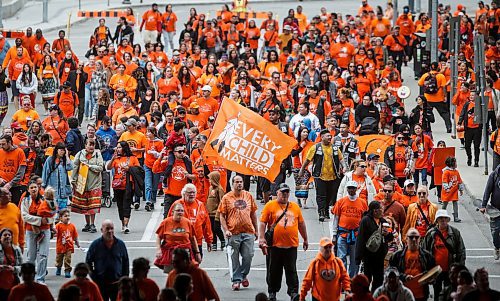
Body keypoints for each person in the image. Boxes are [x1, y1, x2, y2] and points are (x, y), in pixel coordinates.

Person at [258, 183, 308, 301]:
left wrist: (305, 239)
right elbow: (262, 222)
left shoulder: (295, 207)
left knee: (291, 270)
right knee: (273, 270)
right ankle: (272, 292)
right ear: (277, 193)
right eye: (282, 192)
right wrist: (261, 238)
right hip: (275, 246)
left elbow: (301, 224)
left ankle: (293, 293)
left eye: (287, 192)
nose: (285, 195)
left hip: (291, 246)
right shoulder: (270, 205)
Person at [218, 175, 258, 291]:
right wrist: (226, 230)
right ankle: (236, 280)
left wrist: (256, 230)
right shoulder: (226, 198)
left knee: (248, 255)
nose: (239, 184)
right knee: (234, 258)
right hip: (233, 232)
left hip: (248, 231)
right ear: (232, 184)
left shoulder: (248, 196)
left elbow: (253, 214)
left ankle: (243, 275)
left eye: (241, 182)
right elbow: (222, 215)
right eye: (237, 182)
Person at [299, 129, 346, 222]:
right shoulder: (315, 148)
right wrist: (301, 170)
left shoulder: (335, 148)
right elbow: (307, 160)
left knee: (330, 195)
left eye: (330, 136)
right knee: (321, 195)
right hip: (319, 176)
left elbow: (341, 159)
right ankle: (321, 212)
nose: (330, 137)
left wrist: (344, 167)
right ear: (322, 137)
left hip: (333, 176)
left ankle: (326, 211)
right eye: (327, 136)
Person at [422, 210, 466, 301]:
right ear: (437, 220)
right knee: (437, 293)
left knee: (449, 294)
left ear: (448, 220)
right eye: (440, 218)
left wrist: (460, 269)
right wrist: (426, 270)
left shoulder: (455, 233)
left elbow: (461, 251)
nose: (443, 220)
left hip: (450, 270)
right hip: (436, 271)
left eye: (445, 218)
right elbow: (424, 252)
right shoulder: (430, 234)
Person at [331, 181, 368, 278]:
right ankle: (343, 279)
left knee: (355, 259)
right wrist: (334, 235)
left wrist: (365, 236)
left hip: (356, 235)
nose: (351, 190)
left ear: (356, 189)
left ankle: (352, 279)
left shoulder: (362, 203)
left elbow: (365, 220)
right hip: (342, 234)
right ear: (347, 189)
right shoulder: (341, 202)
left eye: (353, 188)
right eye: (349, 188)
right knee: (341, 257)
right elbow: (336, 219)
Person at [86, 219, 130, 301]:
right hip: (101, 285)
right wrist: (95, 278)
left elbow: (125, 262)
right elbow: (88, 262)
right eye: (107, 228)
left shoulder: (120, 244)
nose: (110, 231)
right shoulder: (95, 245)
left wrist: (124, 279)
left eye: (112, 228)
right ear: (102, 230)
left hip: (117, 284)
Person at [355, 201, 393, 292]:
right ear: (375, 211)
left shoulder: (383, 221)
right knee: (367, 279)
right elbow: (360, 238)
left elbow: (390, 237)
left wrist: (387, 234)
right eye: (381, 209)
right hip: (368, 256)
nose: (383, 211)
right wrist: (358, 257)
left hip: (380, 257)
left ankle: (375, 295)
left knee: (379, 279)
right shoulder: (365, 221)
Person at [20, 179, 54, 284]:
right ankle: (29, 279)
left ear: (38, 188)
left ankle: (40, 279)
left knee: (43, 255)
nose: (34, 189)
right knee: (31, 256)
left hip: (45, 230)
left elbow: (53, 214)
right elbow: (24, 216)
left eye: (35, 187)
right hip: (30, 231)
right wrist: (39, 220)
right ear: (28, 190)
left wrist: (49, 223)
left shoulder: (46, 199)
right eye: (32, 187)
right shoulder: (25, 201)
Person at [167, 184, 213, 258]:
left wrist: (209, 240)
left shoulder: (200, 205)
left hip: (197, 241)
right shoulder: (177, 204)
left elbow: (206, 224)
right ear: (184, 193)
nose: (192, 194)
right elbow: (169, 222)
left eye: (193, 192)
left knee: (195, 264)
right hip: (181, 242)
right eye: (189, 192)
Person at [389, 228, 435, 301]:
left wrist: (430, 279)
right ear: (406, 239)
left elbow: (433, 274)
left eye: (416, 237)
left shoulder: (427, 256)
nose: (414, 239)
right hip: (403, 294)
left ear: (420, 239)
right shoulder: (396, 256)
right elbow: (390, 273)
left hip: (421, 295)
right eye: (411, 237)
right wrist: (404, 277)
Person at [299, 237, 351, 301]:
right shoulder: (315, 263)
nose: (328, 249)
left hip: (334, 298)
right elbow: (307, 281)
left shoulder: (338, 262)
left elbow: (345, 277)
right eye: (326, 247)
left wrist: (347, 289)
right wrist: (302, 296)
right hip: (318, 298)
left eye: (330, 247)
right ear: (320, 249)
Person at [155, 203, 201, 273]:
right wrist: (158, 250)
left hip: (185, 252)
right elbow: (158, 236)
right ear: (173, 212)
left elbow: (192, 238)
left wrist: (197, 252)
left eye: (182, 211)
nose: (180, 212)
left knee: (185, 273)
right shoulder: (166, 222)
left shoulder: (188, 222)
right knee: (172, 274)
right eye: (178, 210)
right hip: (171, 252)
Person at [71, 139, 104, 233]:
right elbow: (75, 167)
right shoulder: (80, 154)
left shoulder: (98, 154)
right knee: (85, 206)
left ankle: (93, 224)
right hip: (82, 184)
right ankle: (88, 224)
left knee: (93, 206)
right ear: (85, 145)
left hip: (95, 184)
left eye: (93, 145)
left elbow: (101, 167)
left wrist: (90, 166)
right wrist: (73, 181)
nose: (91, 147)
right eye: (90, 145)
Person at [107, 141, 140, 234]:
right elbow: (108, 168)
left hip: (128, 185)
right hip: (117, 185)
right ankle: (122, 223)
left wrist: (129, 169)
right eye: (117, 147)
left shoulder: (132, 158)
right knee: (120, 206)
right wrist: (113, 159)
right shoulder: (116, 159)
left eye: (119, 147)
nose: (117, 149)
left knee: (127, 205)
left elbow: (139, 169)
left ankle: (126, 225)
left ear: (124, 148)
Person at [41, 142, 74, 211]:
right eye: (61, 150)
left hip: (63, 192)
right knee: (53, 212)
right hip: (52, 191)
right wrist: (43, 187)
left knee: (62, 212)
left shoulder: (64, 161)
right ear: (56, 150)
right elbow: (45, 173)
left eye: (64, 150)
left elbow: (70, 167)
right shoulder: (50, 160)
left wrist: (67, 156)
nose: (62, 152)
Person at [0, 134, 27, 206]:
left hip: (15, 187)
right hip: (2, 186)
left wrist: (10, 184)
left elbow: (21, 173)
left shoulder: (19, 152)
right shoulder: (0, 152)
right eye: (0, 144)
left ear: (9, 143)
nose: (1, 146)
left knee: (15, 207)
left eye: (3, 144)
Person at [481, 164, 500, 260]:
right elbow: (487, 190)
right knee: (495, 231)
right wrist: (483, 205)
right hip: (495, 210)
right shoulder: (494, 175)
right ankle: (497, 247)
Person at [54, 208, 80, 278]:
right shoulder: (58, 226)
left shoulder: (72, 226)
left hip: (69, 246)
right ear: (60, 218)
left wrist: (77, 243)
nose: (67, 217)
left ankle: (67, 270)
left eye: (68, 216)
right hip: (60, 246)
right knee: (59, 258)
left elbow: (75, 235)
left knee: (68, 259)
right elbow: (54, 233)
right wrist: (52, 233)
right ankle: (58, 268)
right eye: (65, 216)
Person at [0, 228, 23, 299]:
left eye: (9, 235)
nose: (7, 236)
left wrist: (14, 269)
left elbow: (22, 267)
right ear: (0, 238)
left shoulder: (16, 249)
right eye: (5, 235)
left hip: (13, 284)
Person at [206, 171, 226, 251]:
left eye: (210, 179)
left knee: (216, 228)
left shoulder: (220, 189)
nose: (209, 181)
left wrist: (220, 213)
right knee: (211, 229)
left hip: (216, 213)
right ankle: (214, 243)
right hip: (210, 213)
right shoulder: (210, 188)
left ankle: (222, 240)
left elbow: (222, 202)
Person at [441, 156, 464, 222]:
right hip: (447, 191)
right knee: (445, 203)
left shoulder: (456, 172)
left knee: (455, 202)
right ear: (452, 164)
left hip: (454, 191)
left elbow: (459, 181)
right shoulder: (446, 172)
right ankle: (442, 215)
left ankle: (456, 216)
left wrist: (461, 189)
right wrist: (446, 188)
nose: (456, 164)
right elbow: (444, 181)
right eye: (455, 162)